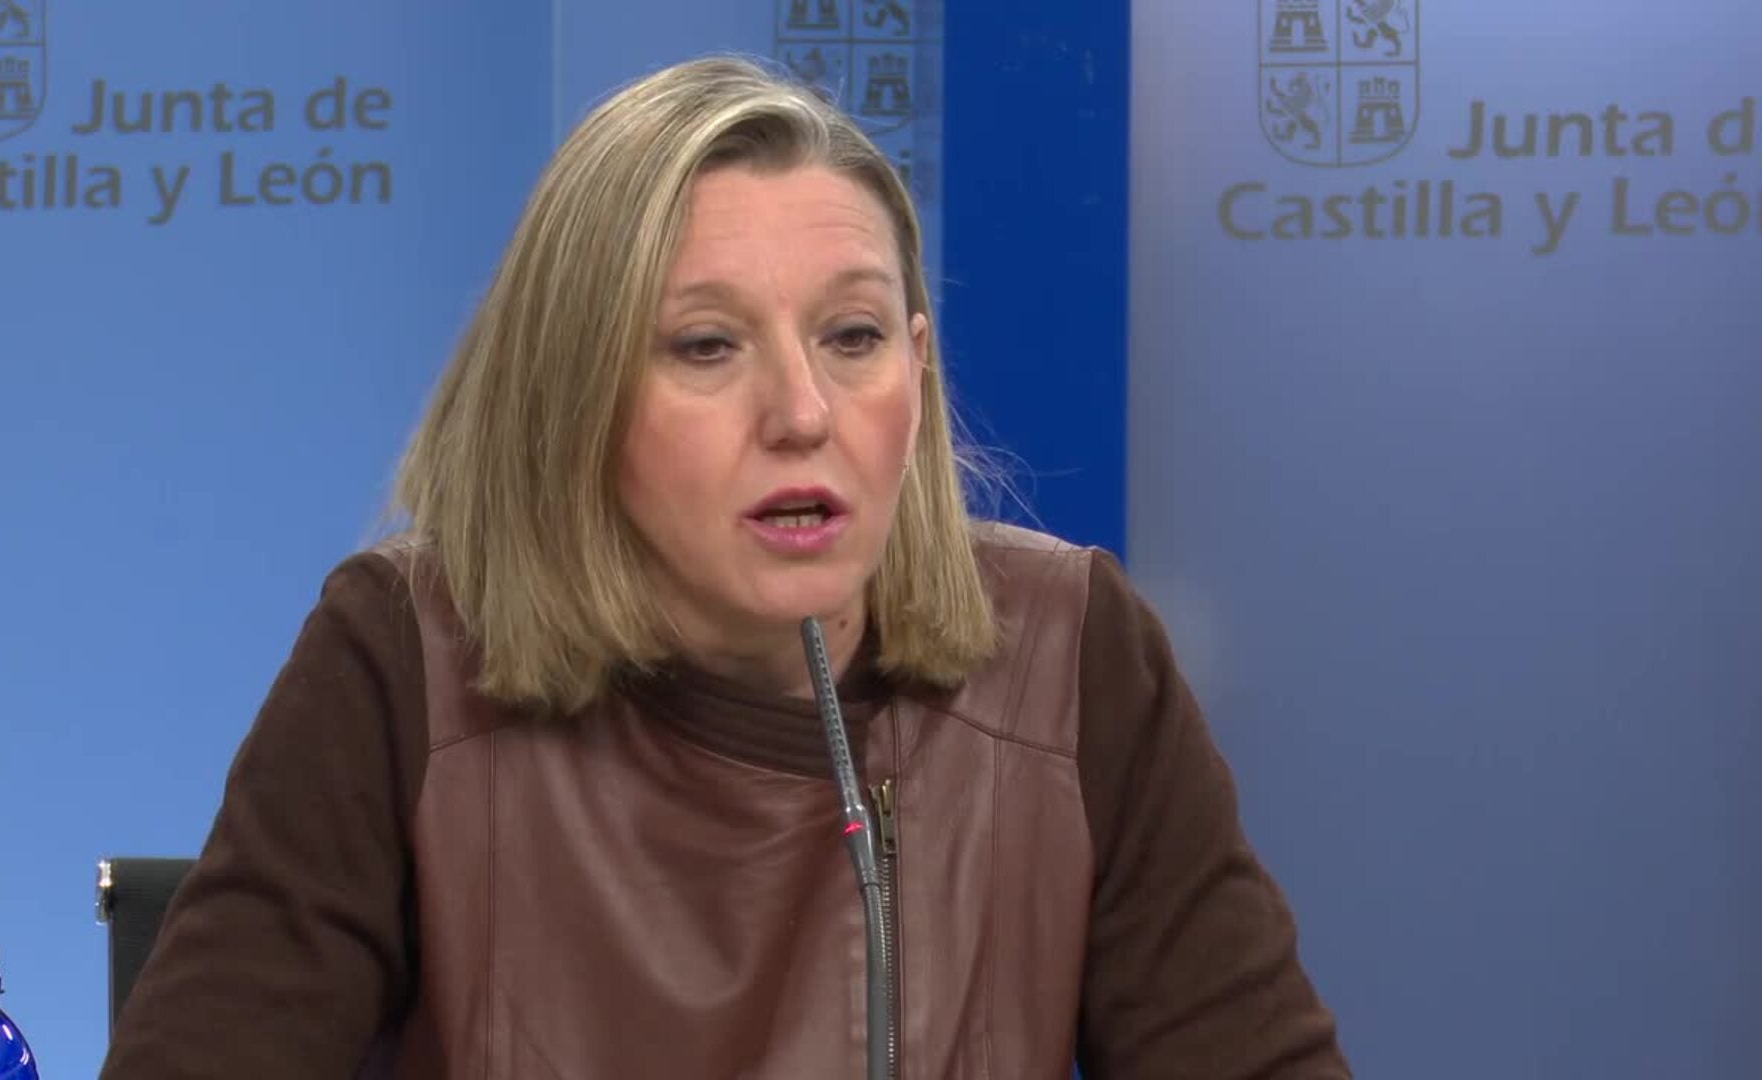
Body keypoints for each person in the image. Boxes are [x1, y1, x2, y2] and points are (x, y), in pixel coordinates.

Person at [99, 55, 1349, 1078]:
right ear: (574, 397)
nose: (803, 412)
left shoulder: (1072, 655)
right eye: (706, 346)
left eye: (853, 336)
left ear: (917, 368)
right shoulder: (403, 659)